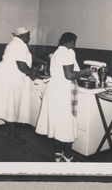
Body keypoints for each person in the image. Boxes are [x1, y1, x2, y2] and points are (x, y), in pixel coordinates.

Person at [35, 32, 93, 162]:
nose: (74, 46)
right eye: (74, 43)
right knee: (66, 123)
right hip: (63, 92)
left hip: (54, 89)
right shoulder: (68, 52)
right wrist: (85, 71)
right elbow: (69, 75)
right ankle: (68, 157)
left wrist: (80, 73)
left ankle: (58, 155)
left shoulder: (56, 53)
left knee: (56, 123)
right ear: (71, 42)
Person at [0, 26, 47, 143]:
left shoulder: (15, 43)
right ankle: (12, 136)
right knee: (12, 105)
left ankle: (8, 132)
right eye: (28, 36)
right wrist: (33, 72)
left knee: (8, 105)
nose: (29, 38)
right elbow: (22, 66)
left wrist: (43, 62)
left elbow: (30, 56)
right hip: (11, 76)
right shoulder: (20, 45)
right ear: (22, 36)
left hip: (5, 74)